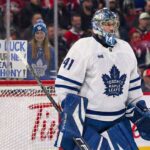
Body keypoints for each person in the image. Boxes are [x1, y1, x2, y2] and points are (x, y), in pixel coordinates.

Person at [54, 8, 150, 150]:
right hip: (90, 124)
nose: (111, 28)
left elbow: (133, 89)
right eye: (107, 23)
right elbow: (65, 86)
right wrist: (71, 115)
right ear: (97, 25)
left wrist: (141, 110)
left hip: (119, 122)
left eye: (114, 24)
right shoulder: (83, 47)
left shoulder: (125, 48)